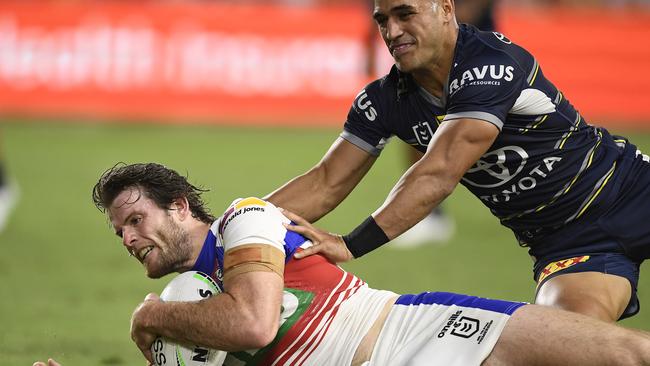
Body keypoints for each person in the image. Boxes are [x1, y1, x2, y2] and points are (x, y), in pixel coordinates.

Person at [264, 0, 650, 324]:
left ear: (445, 8)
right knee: (567, 346)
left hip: (633, 191)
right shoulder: (383, 100)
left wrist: (350, 244)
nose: (392, 31)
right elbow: (326, 180)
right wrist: (236, 225)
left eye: (405, 14)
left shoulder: (491, 63)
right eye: (382, 19)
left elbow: (439, 171)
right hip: (569, 247)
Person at [35, 163, 650, 366]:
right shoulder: (190, 302)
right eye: (119, 230)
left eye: (136, 219)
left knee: (624, 355)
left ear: (178, 207)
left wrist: (151, 318)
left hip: (418, 336)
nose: (127, 236)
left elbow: (254, 323)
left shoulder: (246, 220)